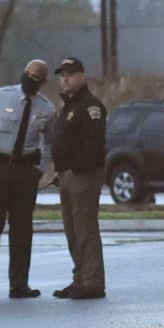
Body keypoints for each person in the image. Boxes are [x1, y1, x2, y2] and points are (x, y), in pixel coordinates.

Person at [0, 60, 56, 301]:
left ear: (42, 82)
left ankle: (19, 284)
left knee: (22, 229)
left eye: (35, 76)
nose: (29, 78)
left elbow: (49, 141)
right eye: (27, 74)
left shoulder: (47, 108)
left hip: (25, 172)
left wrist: (40, 169)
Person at [50, 57, 108, 300]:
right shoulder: (69, 106)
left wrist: (75, 168)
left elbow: (94, 144)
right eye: (62, 75)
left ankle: (93, 281)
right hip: (66, 175)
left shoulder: (90, 106)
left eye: (70, 74)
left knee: (85, 230)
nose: (65, 79)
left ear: (82, 76)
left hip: (83, 176)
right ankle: (80, 278)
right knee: (72, 231)